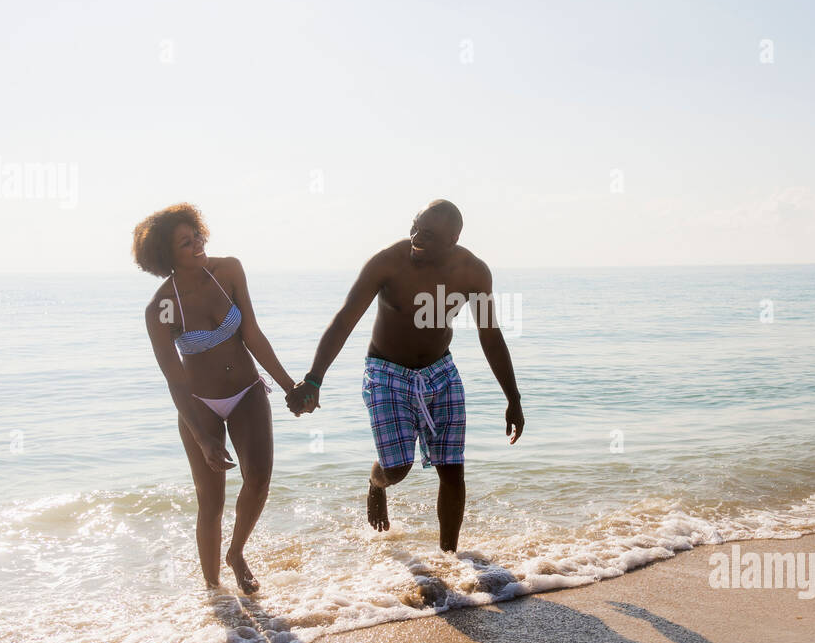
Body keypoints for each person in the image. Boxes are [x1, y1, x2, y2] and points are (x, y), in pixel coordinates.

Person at [287, 199, 523, 551]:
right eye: (414, 226)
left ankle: (449, 559)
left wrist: (513, 398)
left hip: (441, 372)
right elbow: (344, 320)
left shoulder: (473, 272)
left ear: (452, 240)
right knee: (397, 469)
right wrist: (314, 379)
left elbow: (490, 334)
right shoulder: (388, 263)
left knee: (452, 471)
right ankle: (376, 482)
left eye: (427, 234)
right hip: (385, 371)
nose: (415, 237)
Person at [134, 203, 298, 593]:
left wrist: (291, 386)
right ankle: (214, 591)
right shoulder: (160, 308)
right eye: (185, 243)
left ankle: (236, 553)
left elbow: (253, 335)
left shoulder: (229, 271)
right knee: (211, 502)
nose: (197, 245)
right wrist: (203, 438)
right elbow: (174, 380)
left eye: (198, 236)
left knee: (258, 481)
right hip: (198, 406)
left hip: (247, 391)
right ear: (165, 255)